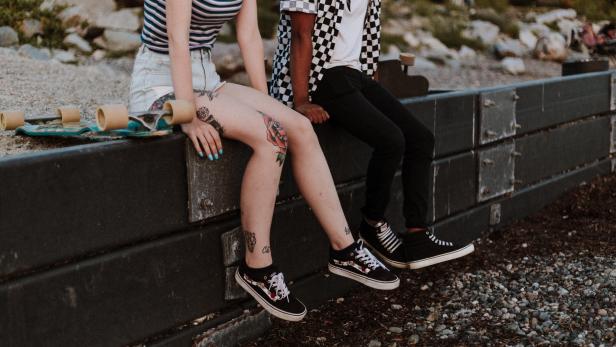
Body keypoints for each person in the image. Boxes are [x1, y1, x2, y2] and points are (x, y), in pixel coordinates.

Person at [129, 0, 399, 322]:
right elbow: (177, 37)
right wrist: (187, 114)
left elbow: (250, 36)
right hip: (161, 83)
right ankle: (257, 266)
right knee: (272, 137)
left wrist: (268, 103)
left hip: (207, 77)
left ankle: (345, 249)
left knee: (297, 127)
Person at [270, 0, 475, 270]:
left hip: (353, 74)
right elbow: (300, 34)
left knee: (420, 138)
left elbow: (364, 34)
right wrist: (301, 100)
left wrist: (372, 87)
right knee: (391, 139)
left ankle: (417, 237)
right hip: (320, 77)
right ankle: (372, 224)